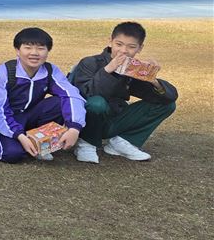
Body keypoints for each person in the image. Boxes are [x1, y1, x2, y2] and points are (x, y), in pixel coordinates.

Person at [68, 21, 177, 163]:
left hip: (114, 118)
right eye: (119, 44)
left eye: (131, 47)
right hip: (86, 121)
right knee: (96, 103)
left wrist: (153, 81)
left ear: (140, 48)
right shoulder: (90, 62)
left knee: (167, 104)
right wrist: (108, 70)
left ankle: (122, 142)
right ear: (110, 41)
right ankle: (86, 143)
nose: (123, 51)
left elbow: (166, 97)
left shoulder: (133, 68)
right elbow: (86, 94)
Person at [0, 27, 86, 163]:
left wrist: (74, 127)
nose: (34, 53)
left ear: (48, 51)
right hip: (3, 119)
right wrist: (19, 135)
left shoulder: (50, 71)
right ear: (17, 50)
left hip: (29, 116)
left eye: (41, 48)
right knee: (12, 154)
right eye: (28, 48)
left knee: (60, 102)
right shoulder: (4, 72)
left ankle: (37, 139)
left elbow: (71, 95)